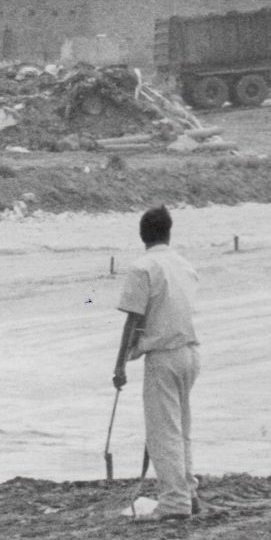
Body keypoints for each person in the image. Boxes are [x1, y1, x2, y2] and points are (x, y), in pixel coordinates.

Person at [113, 205, 201, 520]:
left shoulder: (144, 267)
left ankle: (176, 502)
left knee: (163, 432)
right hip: (190, 353)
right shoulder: (184, 264)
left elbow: (133, 320)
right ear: (168, 232)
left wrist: (120, 365)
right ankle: (188, 493)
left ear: (142, 235)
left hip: (164, 356)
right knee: (181, 427)